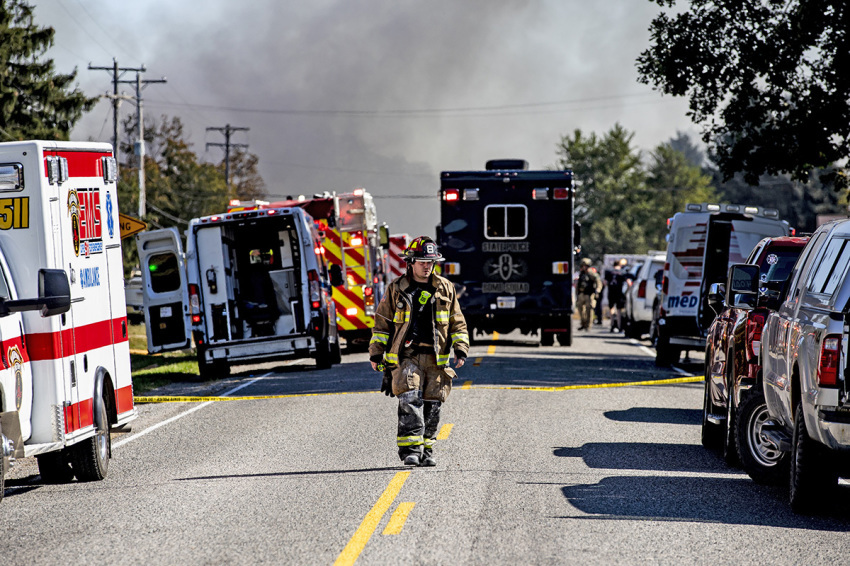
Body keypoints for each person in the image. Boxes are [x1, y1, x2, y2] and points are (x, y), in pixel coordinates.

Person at [369, 236, 469, 467]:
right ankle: (411, 451)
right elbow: (382, 323)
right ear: (411, 262)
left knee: (432, 404)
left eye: (431, 262)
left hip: (436, 358)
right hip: (407, 356)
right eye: (423, 261)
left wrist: (460, 348)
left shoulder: (445, 288)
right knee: (409, 399)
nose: (427, 266)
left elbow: (457, 321)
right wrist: (376, 353)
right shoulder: (396, 289)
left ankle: (427, 449)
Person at [576, 258, 601, 330]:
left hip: (589, 294)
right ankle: (583, 323)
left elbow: (598, 282)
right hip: (581, 293)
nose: (584, 267)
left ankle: (588, 325)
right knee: (580, 309)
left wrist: (598, 290)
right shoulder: (581, 273)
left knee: (589, 310)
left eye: (585, 265)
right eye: (583, 265)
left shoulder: (591, 273)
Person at [606, 258, 628, 332]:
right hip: (619, 293)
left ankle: (612, 325)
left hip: (611, 292)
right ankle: (619, 326)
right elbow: (628, 282)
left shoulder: (609, 272)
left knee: (611, 308)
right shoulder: (622, 272)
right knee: (619, 309)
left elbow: (605, 282)